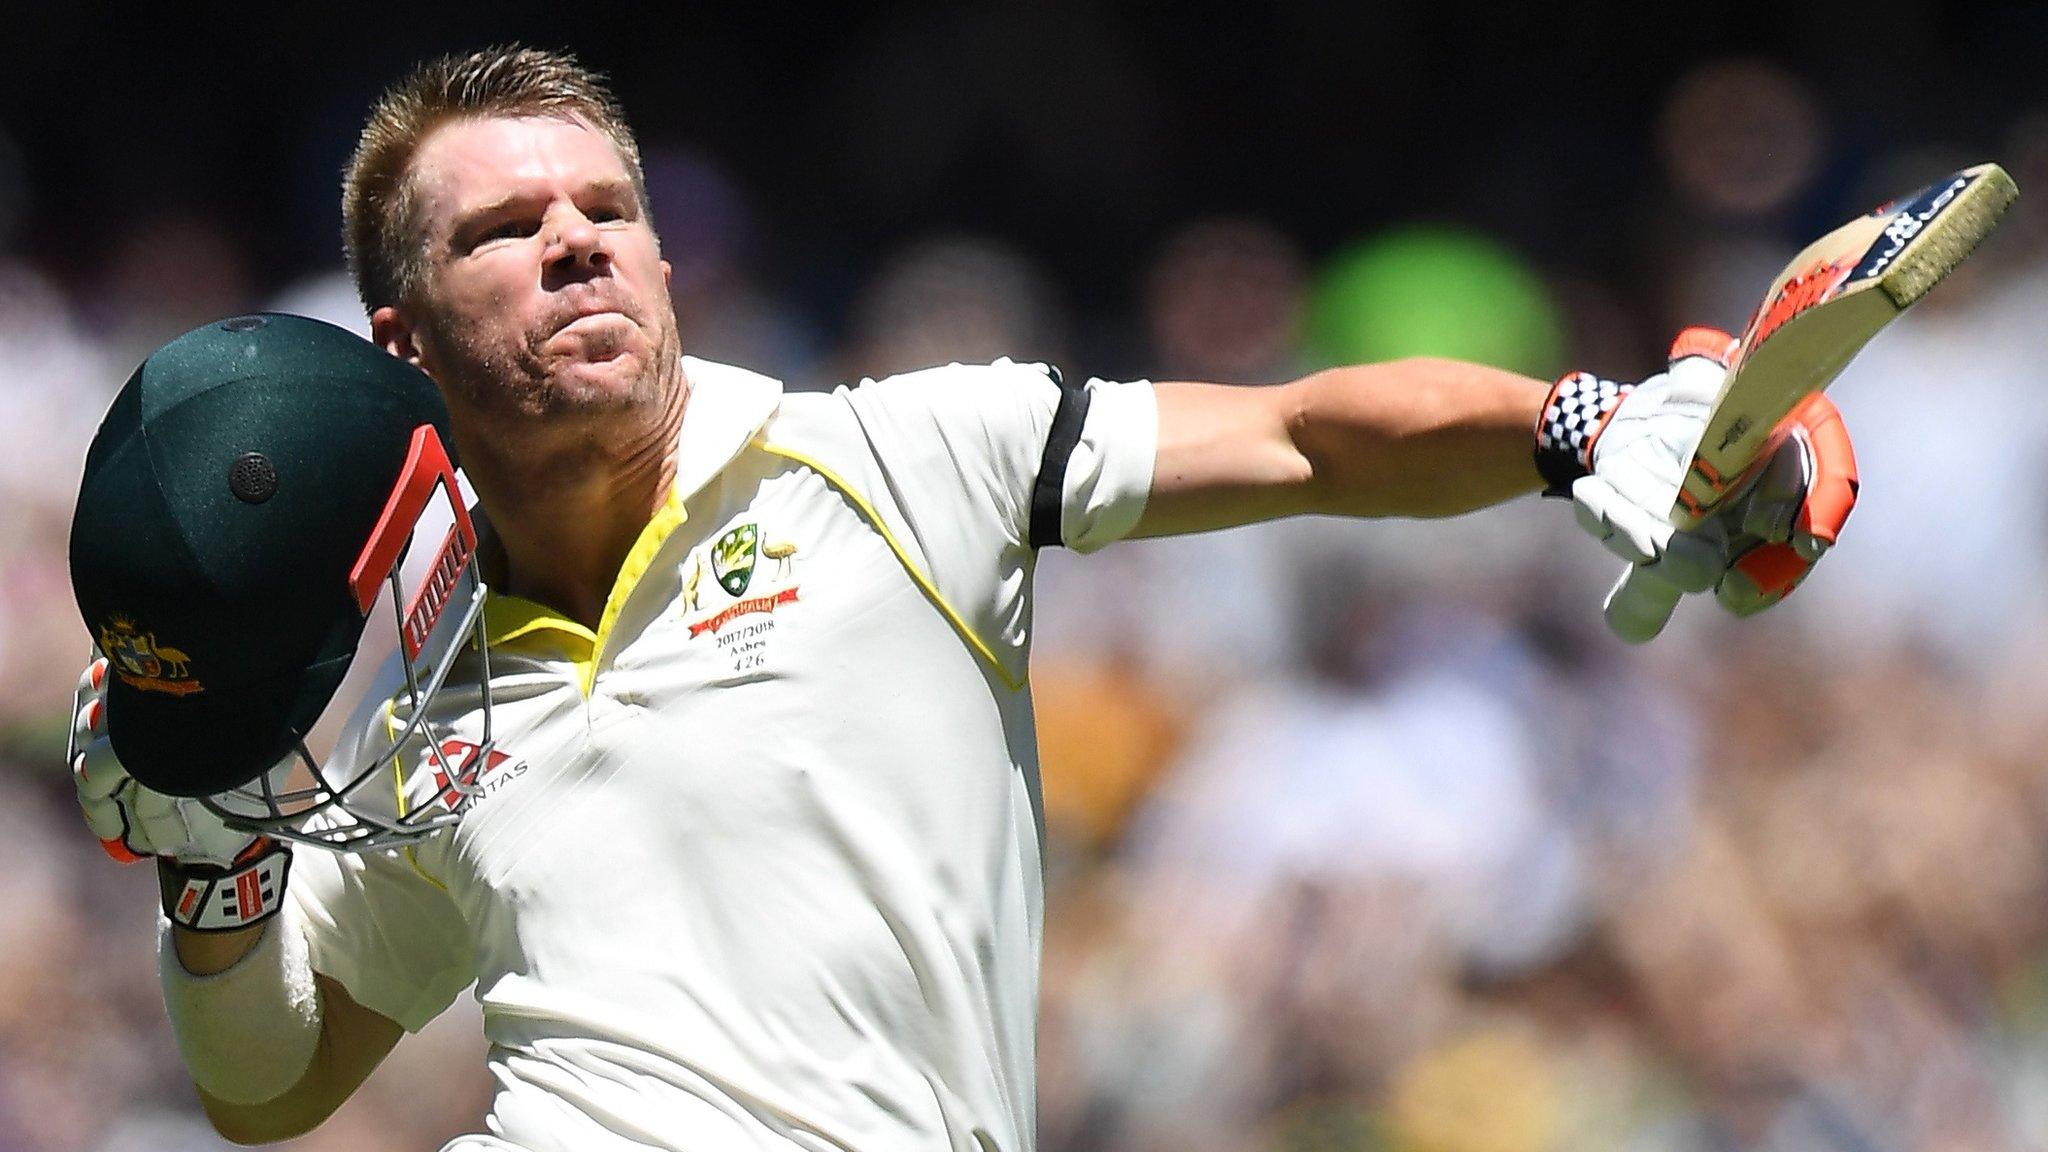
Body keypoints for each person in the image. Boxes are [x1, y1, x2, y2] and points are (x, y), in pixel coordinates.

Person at [64, 45, 1856, 1152]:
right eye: (501, 228)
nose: (573, 240)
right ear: (406, 340)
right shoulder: (429, 712)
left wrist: (1585, 424)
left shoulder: (906, 457)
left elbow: (1310, 435)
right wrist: (214, 881)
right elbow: (271, 1088)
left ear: (670, 262)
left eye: (605, 206)